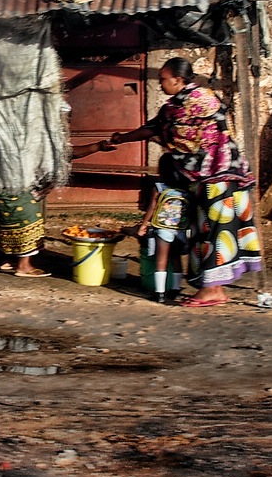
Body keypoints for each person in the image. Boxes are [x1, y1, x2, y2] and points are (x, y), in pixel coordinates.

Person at [111, 58, 261, 307]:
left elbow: (174, 134)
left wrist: (127, 140)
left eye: (163, 80)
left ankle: (211, 290)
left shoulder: (193, 102)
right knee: (215, 230)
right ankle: (217, 289)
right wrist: (122, 138)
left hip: (216, 174)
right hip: (225, 173)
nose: (160, 84)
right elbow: (155, 128)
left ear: (178, 80)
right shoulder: (183, 102)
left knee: (213, 232)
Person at [0, 139, 115, 277]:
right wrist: (97, 146)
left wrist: (98, 146)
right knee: (29, 219)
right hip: (12, 185)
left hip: (5, 182)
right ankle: (24, 266)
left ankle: (9, 260)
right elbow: (68, 153)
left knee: (11, 220)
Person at [136, 156, 190, 304]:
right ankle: (176, 289)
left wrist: (144, 225)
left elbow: (152, 207)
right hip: (180, 228)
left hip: (163, 227)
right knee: (176, 258)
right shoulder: (185, 187)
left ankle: (160, 293)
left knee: (162, 259)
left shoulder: (159, 186)